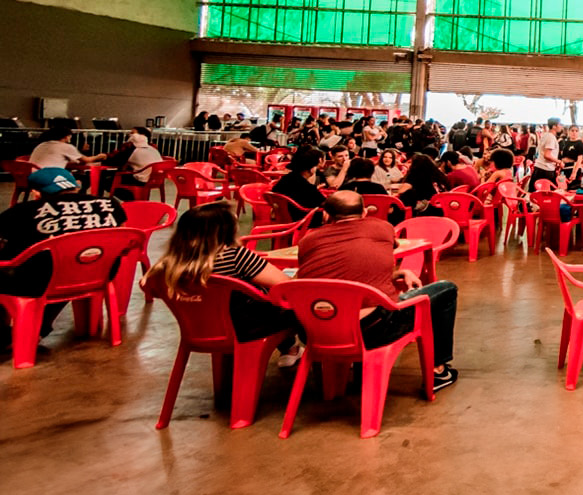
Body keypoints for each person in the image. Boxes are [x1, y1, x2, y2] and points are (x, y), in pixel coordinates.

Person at [296, 192, 460, 391]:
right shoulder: (382, 228)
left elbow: (336, 279)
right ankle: (438, 371)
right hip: (374, 329)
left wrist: (393, 276)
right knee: (446, 289)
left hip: (316, 331)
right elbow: (377, 253)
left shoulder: (308, 240)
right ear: (364, 212)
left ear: (325, 215)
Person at [147, 202, 299, 362]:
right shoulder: (236, 256)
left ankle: (289, 348)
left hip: (198, 329)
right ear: (225, 232)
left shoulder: (167, 265)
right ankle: (295, 351)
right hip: (244, 329)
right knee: (296, 305)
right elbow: (284, 285)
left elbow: (149, 289)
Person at [0, 169, 127, 347]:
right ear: (76, 185)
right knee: (66, 265)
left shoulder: (23, 211)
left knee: (37, 268)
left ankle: (6, 332)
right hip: (99, 273)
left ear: (36, 193)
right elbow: (123, 237)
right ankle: (39, 327)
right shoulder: (110, 204)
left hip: (40, 281)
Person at [270, 147, 327, 219]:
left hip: (284, 219)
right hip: (303, 221)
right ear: (312, 169)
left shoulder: (285, 179)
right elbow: (326, 204)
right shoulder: (307, 187)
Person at [28, 120, 104, 171]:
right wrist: (99, 156)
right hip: (49, 175)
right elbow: (87, 160)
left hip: (30, 175)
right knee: (77, 183)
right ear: (67, 136)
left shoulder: (42, 145)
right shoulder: (66, 147)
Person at [531, 117, 563, 187]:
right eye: (560, 124)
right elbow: (547, 155)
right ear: (554, 126)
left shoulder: (546, 135)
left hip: (540, 168)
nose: (561, 126)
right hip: (545, 170)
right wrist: (559, 162)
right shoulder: (551, 137)